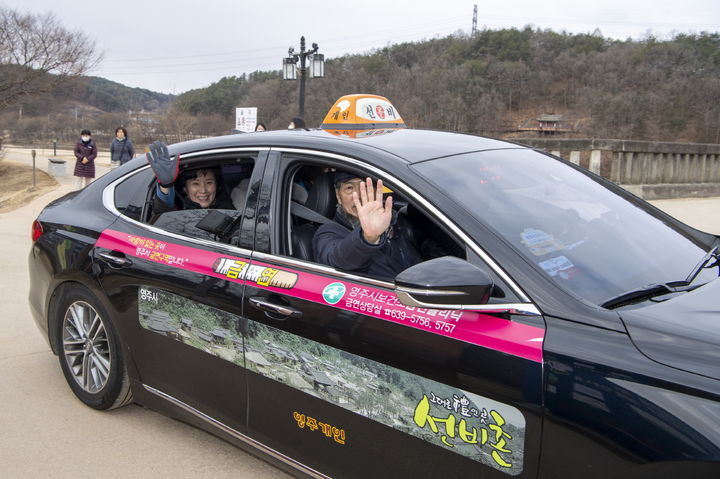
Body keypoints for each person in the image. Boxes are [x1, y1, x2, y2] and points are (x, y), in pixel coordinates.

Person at [312, 171, 421, 280]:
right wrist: (368, 237)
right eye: (349, 188)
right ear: (338, 196)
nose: (358, 196)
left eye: (365, 186)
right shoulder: (329, 232)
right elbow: (336, 259)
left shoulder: (396, 222)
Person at [146, 141, 233, 217]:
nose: (203, 190)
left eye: (209, 183)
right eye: (196, 183)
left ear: (217, 185)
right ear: (185, 188)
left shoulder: (229, 210)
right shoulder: (179, 213)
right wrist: (166, 185)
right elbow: (161, 216)